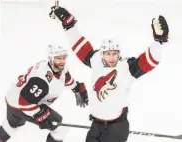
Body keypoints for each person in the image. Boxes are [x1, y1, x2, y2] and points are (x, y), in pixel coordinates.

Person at [50, 6, 169, 142]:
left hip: (117, 127)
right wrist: (68, 24)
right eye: (107, 54)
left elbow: (150, 60)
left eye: (114, 54)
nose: (111, 58)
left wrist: (158, 40)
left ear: (119, 54)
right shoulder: (96, 60)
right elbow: (79, 46)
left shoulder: (127, 67)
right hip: (96, 125)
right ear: (102, 54)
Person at [0, 44, 89, 142]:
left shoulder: (57, 66)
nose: (62, 61)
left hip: (12, 97)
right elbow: (23, 102)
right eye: (58, 58)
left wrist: (76, 88)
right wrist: (40, 115)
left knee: (11, 125)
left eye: (64, 58)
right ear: (51, 59)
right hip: (22, 104)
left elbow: (65, 77)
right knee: (60, 129)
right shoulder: (42, 79)